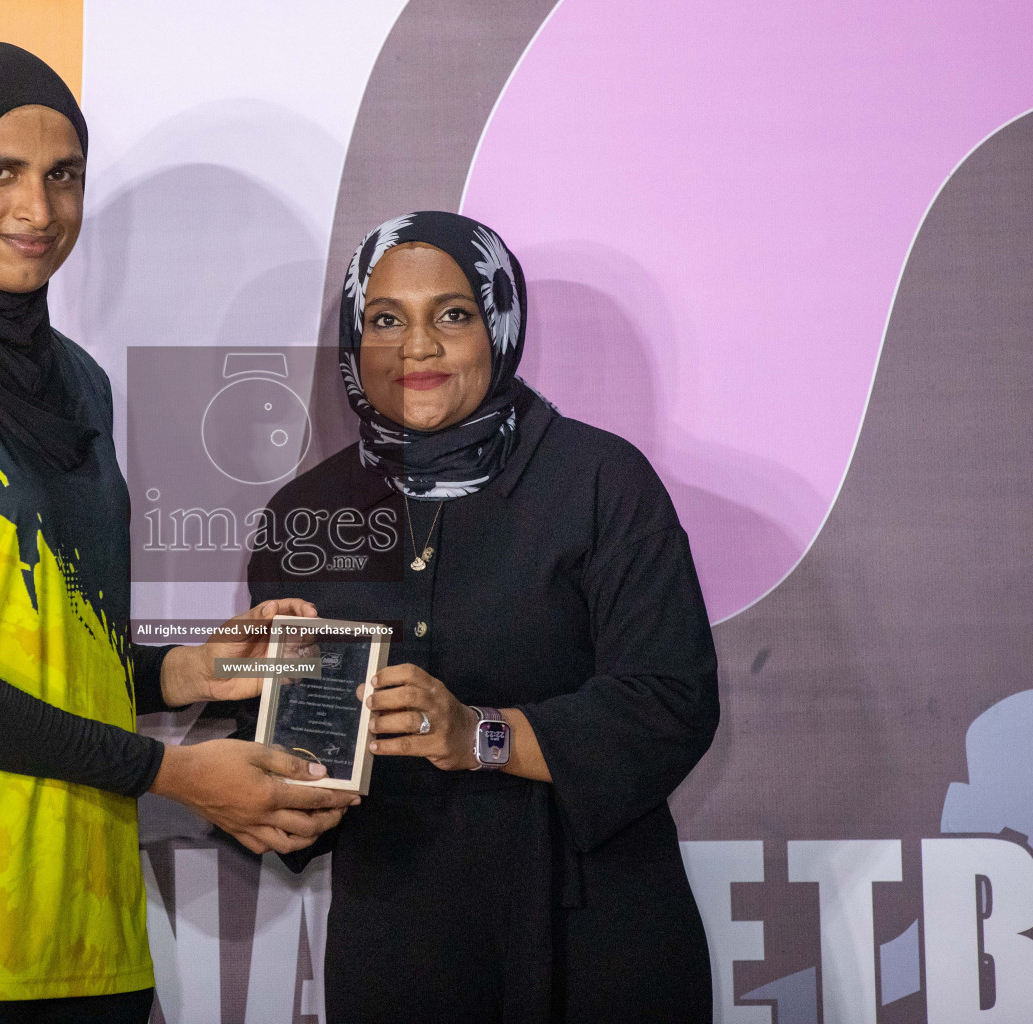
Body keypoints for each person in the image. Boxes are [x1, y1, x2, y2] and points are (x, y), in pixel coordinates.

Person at [0, 42, 354, 1023]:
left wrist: (182, 673)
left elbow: (44, 644)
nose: (38, 210)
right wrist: (176, 772)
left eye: (64, 176)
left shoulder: (77, 383)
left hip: (87, 936)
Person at [248, 211, 720, 1022]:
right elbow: (287, 737)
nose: (417, 347)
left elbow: (671, 702)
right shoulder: (305, 513)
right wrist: (279, 795)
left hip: (595, 931)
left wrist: (479, 735)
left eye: (453, 315)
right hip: (399, 942)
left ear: (499, 326)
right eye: (386, 319)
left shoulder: (600, 481)